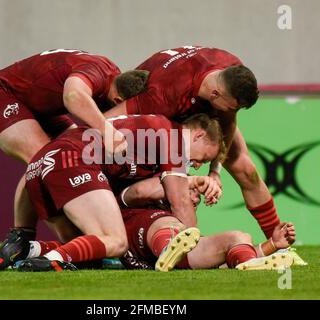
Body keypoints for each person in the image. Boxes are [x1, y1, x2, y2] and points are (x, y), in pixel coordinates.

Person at [0, 113, 225, 270]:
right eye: (204, 157)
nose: (197, 164)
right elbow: (180, 201)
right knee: (116, 242)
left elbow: (143, 189)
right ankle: (49, 262)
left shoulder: (150, 134)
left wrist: (191, 180)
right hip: (71, 159)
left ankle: (24, 250)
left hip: (42, 163)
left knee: (88, 252)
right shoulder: (172, 136)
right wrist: (193, 248)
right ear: (198, 135)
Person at [0, 48, 149, 264]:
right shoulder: (98, 72)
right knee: (44, 160)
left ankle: (76, 241)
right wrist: (107, 130)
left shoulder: (110, 76)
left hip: (41, 108)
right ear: (117, 99)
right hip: (0, 96)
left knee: (68, 158)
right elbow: (73, 95)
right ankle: (20, 236)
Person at [103, 45, 281, 240]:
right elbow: (105, 120)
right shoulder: (162, 95)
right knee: (162, 184)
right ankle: (178, 244)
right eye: (232, 107)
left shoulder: (232, 69)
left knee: (246, 169)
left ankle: (278, 243)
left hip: (194, 111)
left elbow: (228, 120)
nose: (232, 111)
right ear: (215, 94)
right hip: (160, 115)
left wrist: (215, 171)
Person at [117, 175, 296, 271]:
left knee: (238, 236)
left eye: (198, 199)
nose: (196, 199)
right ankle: (167, 250)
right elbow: (138, 191)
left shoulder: (185, 239)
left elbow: (220, 263)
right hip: (139, 243)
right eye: (193, 191)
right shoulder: (136, 206)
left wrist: (272, 244)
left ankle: (250, 265)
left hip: (178, 252)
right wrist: (193, 179)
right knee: (170, 225)